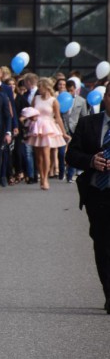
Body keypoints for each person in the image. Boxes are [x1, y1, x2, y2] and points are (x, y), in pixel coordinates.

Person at [66, 88, 110, 314]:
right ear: (105, 98)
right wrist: (91, 161)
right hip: (97, 193)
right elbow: (71, 155)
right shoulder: (88, 123)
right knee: (103, 244)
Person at [25, 77, 68, 191]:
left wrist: (64, 133)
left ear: (46, 87)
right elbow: (32, 112)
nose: (39, 89)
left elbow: (58, 117)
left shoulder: (54, 100)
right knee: (38, 156)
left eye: (40, 87)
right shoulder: (36, 99)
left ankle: (46, 179)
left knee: (46, 153)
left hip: (48, 126)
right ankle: (42, 176)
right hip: (37, 127)